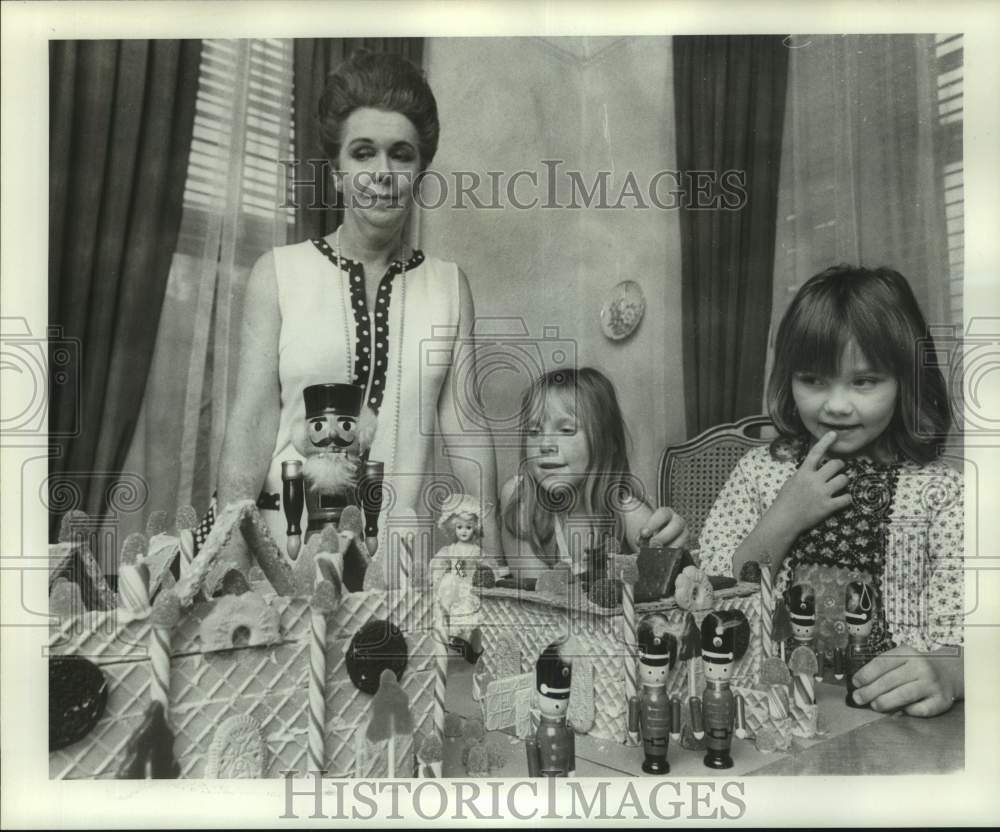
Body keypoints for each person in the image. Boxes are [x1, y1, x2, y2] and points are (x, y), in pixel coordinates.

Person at [210, 50, 503, 567]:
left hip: (398, 566)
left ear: (421, 169)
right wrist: (229, 562)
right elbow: (252, 421)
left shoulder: (450, 287)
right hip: (286, 557)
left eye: (401, 154)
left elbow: (470, 437)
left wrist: (495, 564)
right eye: (363, 153)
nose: (383, 173)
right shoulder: (277, 273)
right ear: (337, 169)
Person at [699, 265, 963, 717]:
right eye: (814, 379)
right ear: (789, 379)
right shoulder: (759, 473)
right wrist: (784, 516)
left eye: (864, 381)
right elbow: (712, 598)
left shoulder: (941, 492)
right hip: (772, 709)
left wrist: (950, 673)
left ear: (907, 381)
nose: (837, 405)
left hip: (892, 720)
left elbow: (969, 629)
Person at [500, 367, 688, 580]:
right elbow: (536, 592)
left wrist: (674, 552)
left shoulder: (626, 510)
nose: (544, 444)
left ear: (607, 443)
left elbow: (673, 578)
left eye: (566, 430)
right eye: (534, 432)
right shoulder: (520, 498)